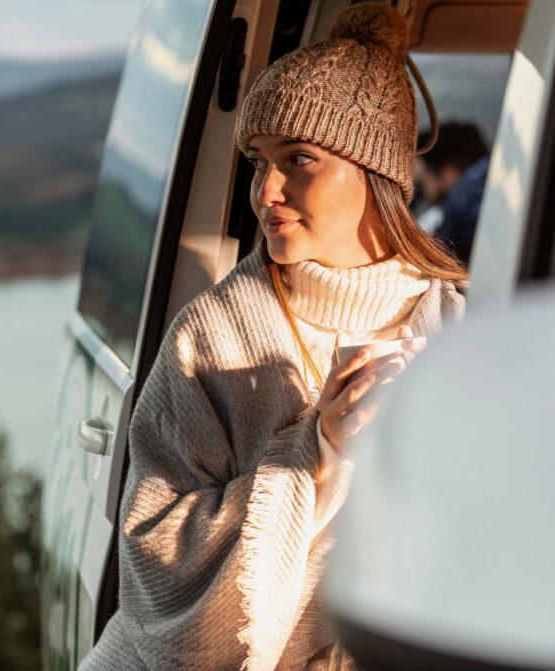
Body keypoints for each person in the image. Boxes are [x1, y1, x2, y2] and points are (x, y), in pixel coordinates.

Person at [79, 4, 467, 671]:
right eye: (260, 161)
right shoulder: (211, 336)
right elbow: (154, 567)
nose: (268, 190)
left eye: (300, 159)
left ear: (378, 173)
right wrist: (316, 453)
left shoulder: (460, 331)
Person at [413, 121, 490, 266]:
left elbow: (441, 263)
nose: (421, 194)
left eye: (421, 184)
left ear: (450, 172)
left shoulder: (464, 205)